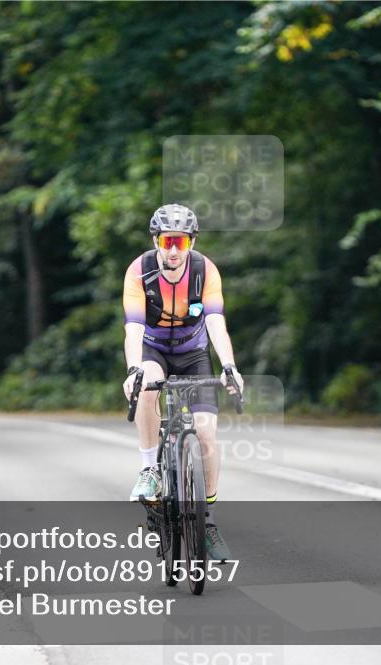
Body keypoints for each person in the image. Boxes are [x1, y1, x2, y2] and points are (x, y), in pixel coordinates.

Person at [121, 203, 244, 562]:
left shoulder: (205, 271)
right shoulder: (139, 271)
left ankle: (206, 523)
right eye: (167, 241)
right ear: (156, 241)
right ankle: (149, 469)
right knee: (147, 387)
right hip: (153, 350)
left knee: (206, 434)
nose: (174, 250)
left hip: (193, 353)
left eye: (182, 243)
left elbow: (216, 323)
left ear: (191, 243)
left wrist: (230, 366)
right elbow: (133, 328)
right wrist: (133, 369)